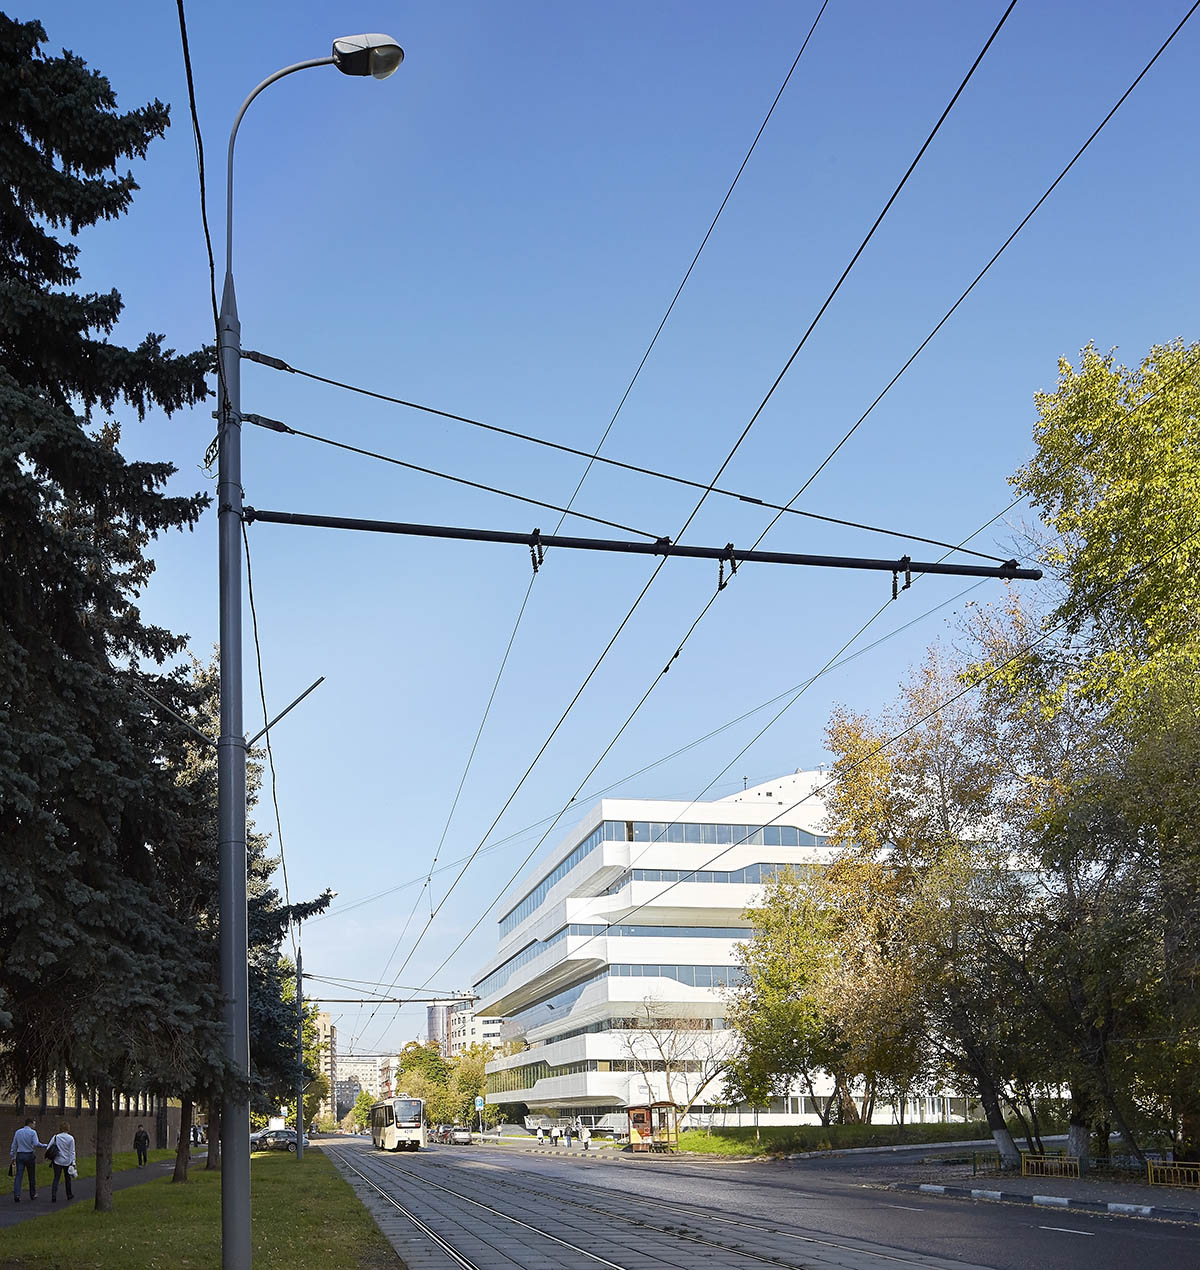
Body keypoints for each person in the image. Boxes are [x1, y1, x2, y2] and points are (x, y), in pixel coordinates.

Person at [10, 1117, 47, 1203]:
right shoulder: (33, 1132)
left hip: (20, 1155)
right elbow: (36, 1143)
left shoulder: (18, 1132)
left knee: (18, 1176)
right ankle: (32, 1194)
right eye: (34, 1124)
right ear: (30, 1124)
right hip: (29, 1155)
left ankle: (17, 1195)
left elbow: (14, 1145)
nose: (34, 1125)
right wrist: (45, 1145)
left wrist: (13, 1156)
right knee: (31, 1175)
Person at [47, 1122, 76, 1203]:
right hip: (67, 1161)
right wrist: (73, 1162)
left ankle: (54, 1195)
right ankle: (69, 1195)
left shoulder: (56, 1137)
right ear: (68, 1128)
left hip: (57, 1160)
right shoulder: (71, 1138)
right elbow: (72, 1151)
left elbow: (48, 1147)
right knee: (67, 1179)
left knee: (56, 1178)